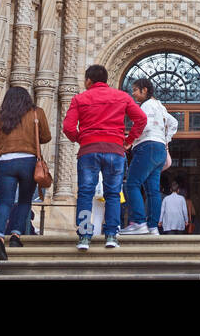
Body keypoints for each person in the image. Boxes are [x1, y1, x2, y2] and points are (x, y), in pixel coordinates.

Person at [62, 64, 147, 250]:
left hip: (88, 151)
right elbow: (141, 118)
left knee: (85, 192)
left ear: (88, 80)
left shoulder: (79, 98)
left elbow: (68, 127)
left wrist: (82, 139)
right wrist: (129, 140)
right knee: (113, 194)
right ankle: (111, 235)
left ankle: (84, 236)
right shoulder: (122, 97)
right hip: (114, 150)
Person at [0, 85, 51, 261]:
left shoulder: (0, 116)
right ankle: (16, 236)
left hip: (5, 161)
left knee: (5, 202)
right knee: (24, 201)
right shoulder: (36, 112)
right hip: (28, 161)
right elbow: (46, 136)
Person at [121, 77, 178, 236]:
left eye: (135, 90)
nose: (133, 94)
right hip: (159, 149)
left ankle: (139, 222)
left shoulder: (146, 106)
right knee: (153, 190)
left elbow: (141, 122)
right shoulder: (160, 107)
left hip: (147, 147)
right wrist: (165, 140)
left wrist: (129, 141)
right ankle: (153, 226)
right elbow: (174, 123)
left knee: (131, 184)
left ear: (144, 90)